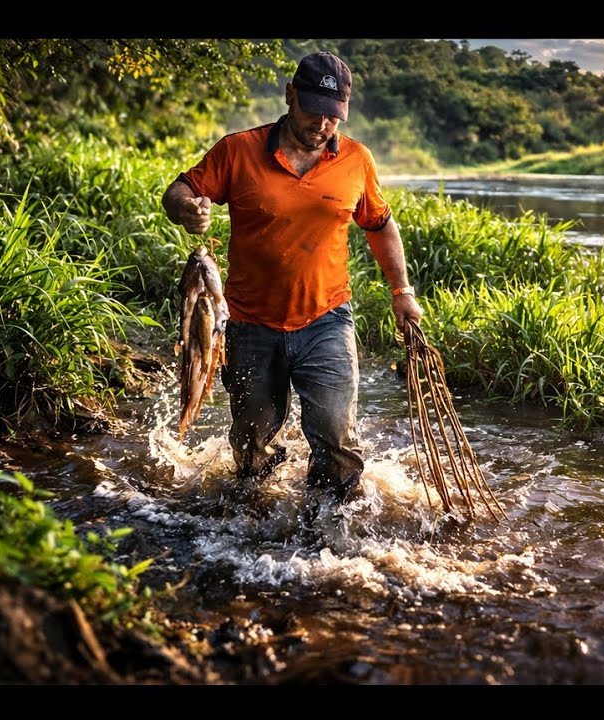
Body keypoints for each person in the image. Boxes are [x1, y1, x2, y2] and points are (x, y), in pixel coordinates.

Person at [161, 51, 424, 521]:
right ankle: (253, 517)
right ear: (289, 96)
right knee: (251, 439)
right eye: (314, 110)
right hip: (249, 323)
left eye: (334, 115)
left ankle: (331, 524)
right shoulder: (237, 151)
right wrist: (185, 208)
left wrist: (401, 291)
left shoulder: (356, 160)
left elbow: (381, 225)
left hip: (326, 319)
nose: (323, 125)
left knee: (335, 434)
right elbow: (178, 190)